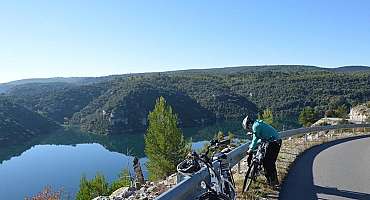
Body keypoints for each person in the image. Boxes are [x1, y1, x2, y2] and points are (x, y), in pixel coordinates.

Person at [242, 115, 282, 187]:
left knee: (267, 162)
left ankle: (273, 182)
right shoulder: (257, 124)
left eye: (248, 127)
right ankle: (273, 181)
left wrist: (250, 149)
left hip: (273, 143)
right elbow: (261, 137)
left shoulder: (255, 126)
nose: (249, 129)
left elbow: (255, 140)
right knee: (269, 162)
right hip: (273, 141)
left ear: (249, 124)